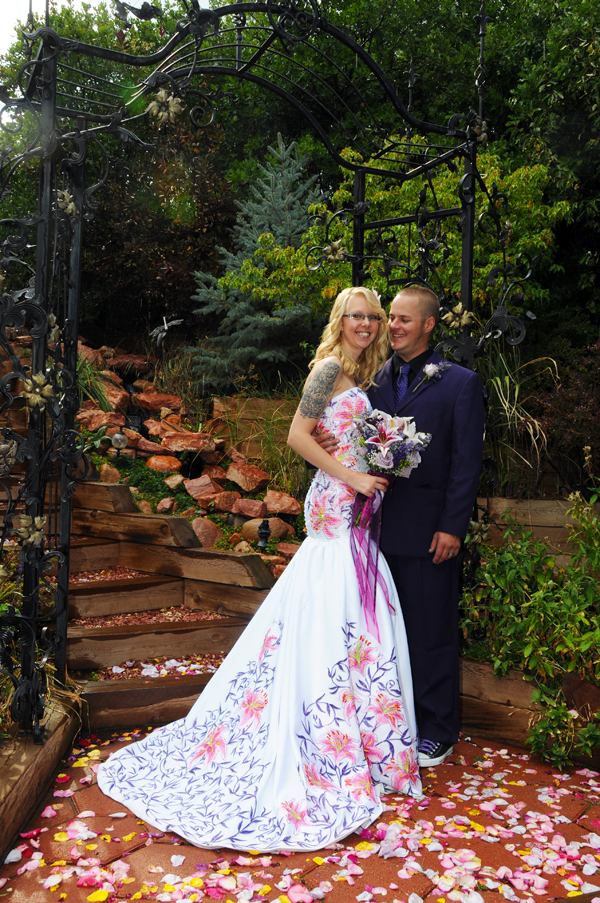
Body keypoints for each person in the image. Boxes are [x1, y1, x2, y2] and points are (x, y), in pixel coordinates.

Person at [97, 286, 422, 853]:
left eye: (374, 317)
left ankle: (361, 732)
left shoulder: (362, 378)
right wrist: (354, 477)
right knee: (333, 591)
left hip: (356, 500)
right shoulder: (325, 368)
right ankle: (320, 728)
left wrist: (377, 459)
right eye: (358, 316)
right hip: (336, 501)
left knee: (354, 603)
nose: (367, 325)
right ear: (339, 320)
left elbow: (339, 437)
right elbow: (298, 436)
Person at [368, 286, 485, 768]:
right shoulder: (374, 380)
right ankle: (398, 721)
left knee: (431, 631)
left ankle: (438, 729)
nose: (393, 326)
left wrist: (452, 527)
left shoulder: (460, 382)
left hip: (430, 533)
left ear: (429, 325)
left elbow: (466, 463)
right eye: (390, 318)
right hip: (374, 532)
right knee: (386, 634)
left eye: (404, 320)